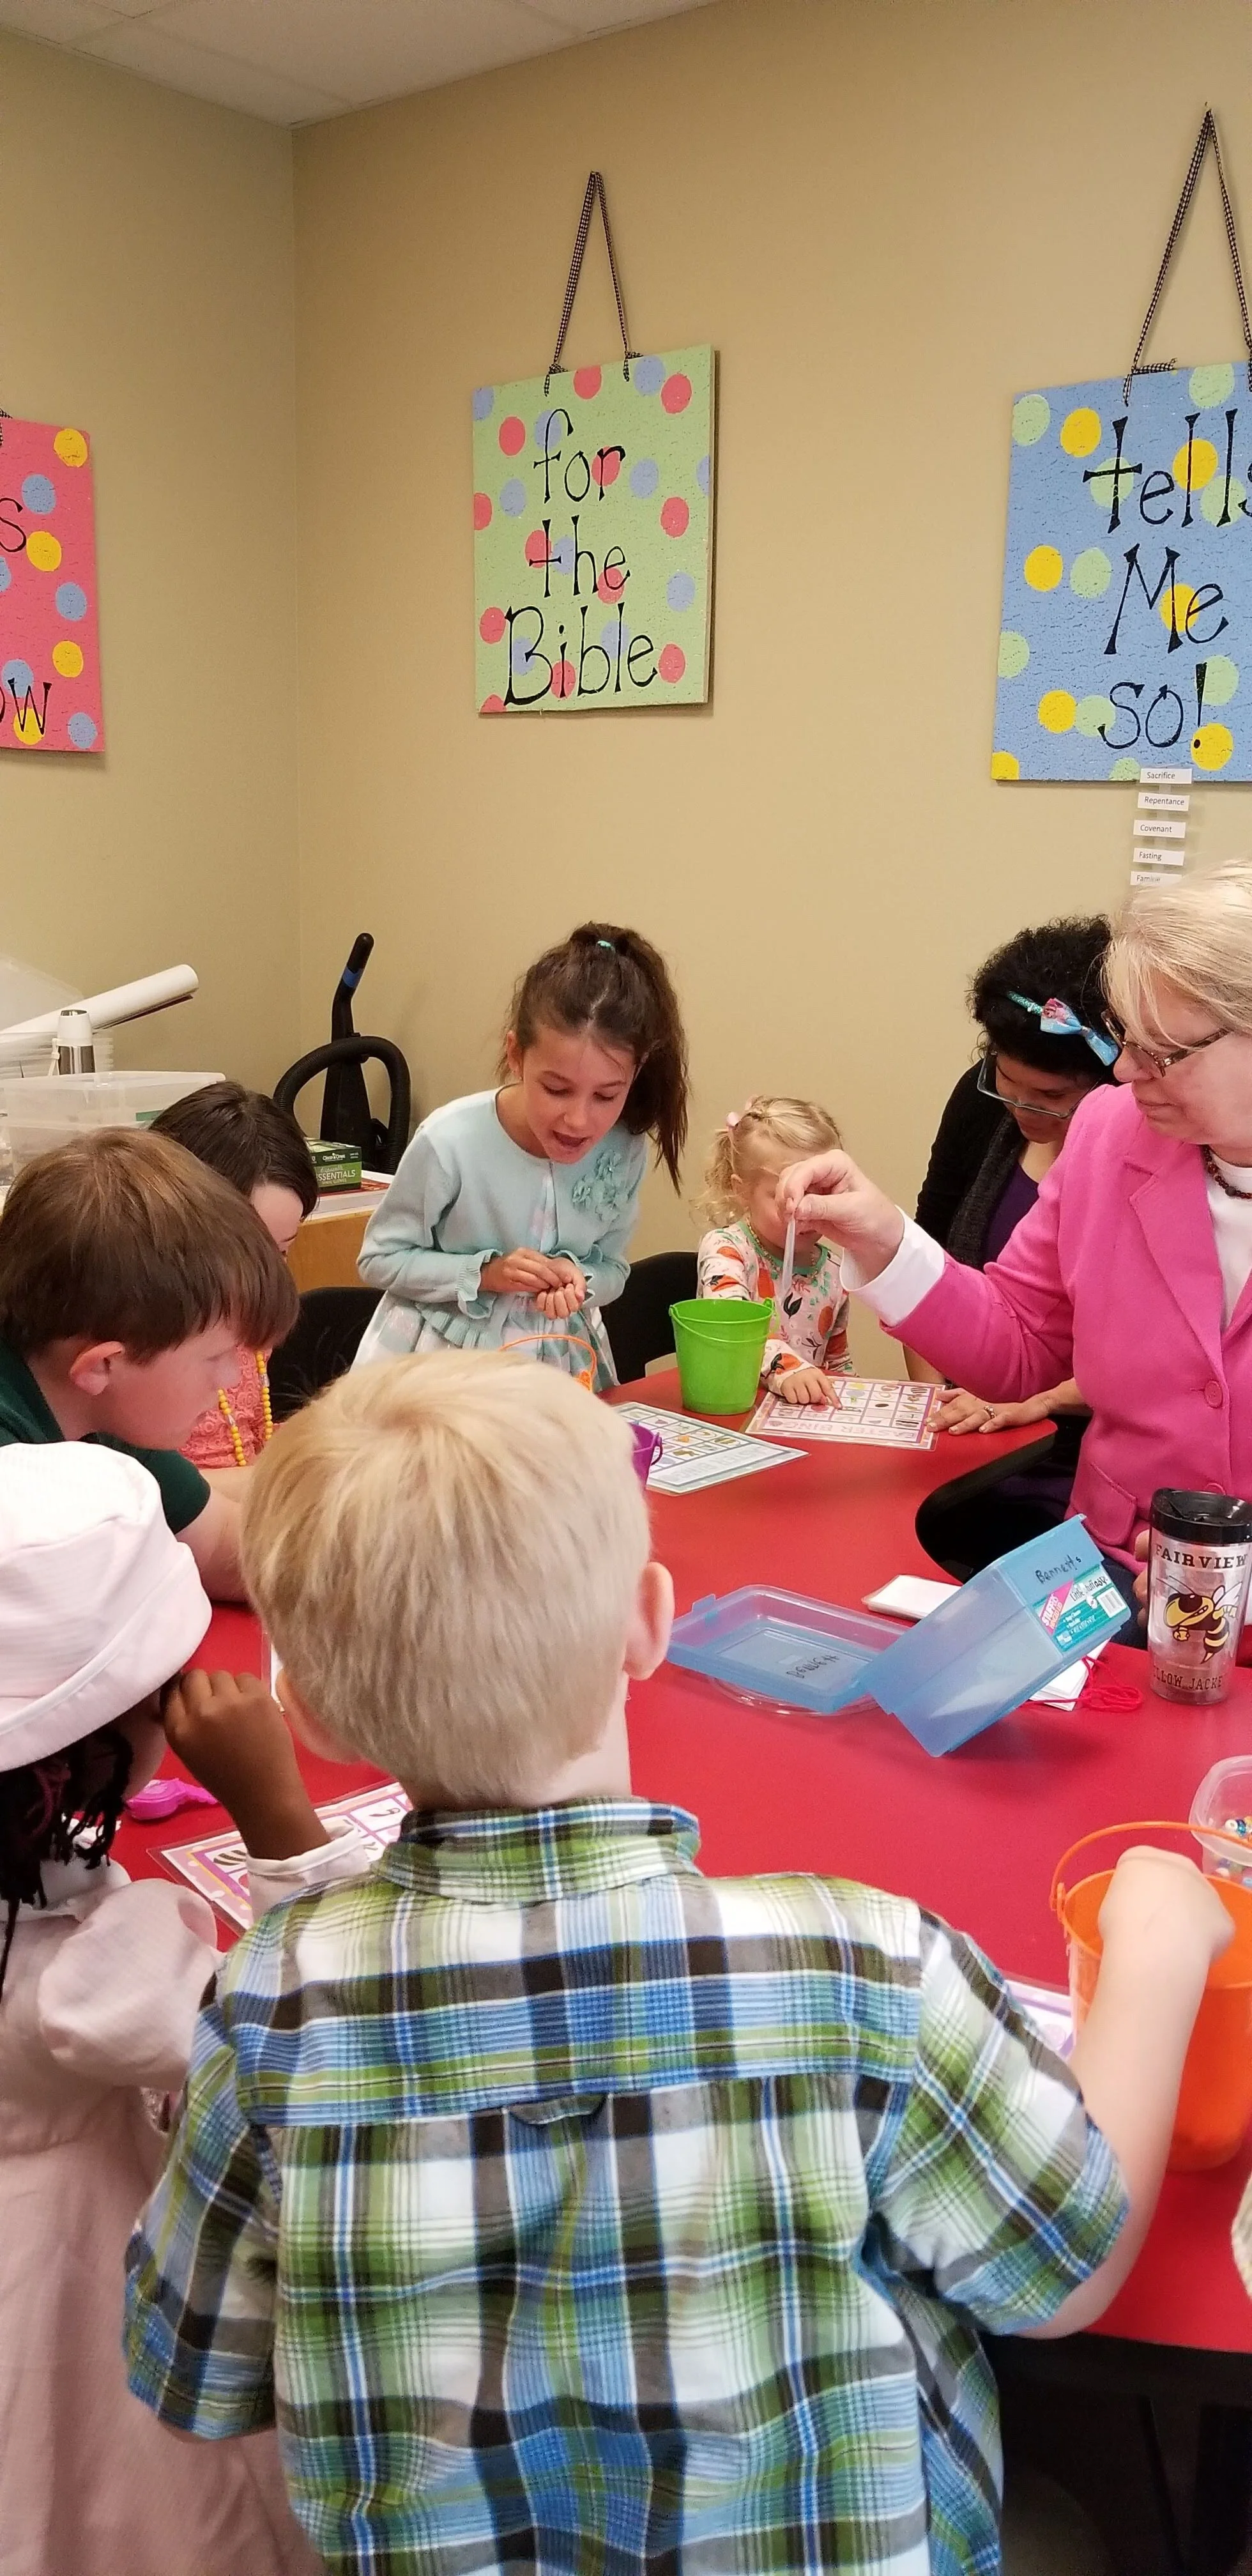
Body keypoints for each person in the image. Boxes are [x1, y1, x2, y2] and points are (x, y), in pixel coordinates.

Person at [125, 1352, 1230, 2576]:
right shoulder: (856, 1965)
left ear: (311, 1714)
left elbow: (199, 2370)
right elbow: (1065, 2271)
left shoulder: (274, 2006)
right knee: (1068, 2531)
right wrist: (1159, 1952)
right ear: (650, 1625)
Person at [0, 1442, 365, 2576]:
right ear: (81, 1758)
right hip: (63, 2263)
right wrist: (280, 1820)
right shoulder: (84, 1973)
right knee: (132, 2506)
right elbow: (335, 2037)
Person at [779, 860, 1252, 1616]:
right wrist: (884, 1243)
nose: (1125, 1072)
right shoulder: (1107, 1135)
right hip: (1108, 1581)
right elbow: (1021, 1343)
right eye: (1123, 1039)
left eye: (1162, 1051)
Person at [355, 922, 689, 1388]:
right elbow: (380, 1259)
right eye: (557, 1089)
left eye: (607, 1096)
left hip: (562, 1364)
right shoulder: (451, 1141)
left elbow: (613, 1268)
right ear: (515, 1054)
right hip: (442, 1372)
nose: (579, 1120)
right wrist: (486, 1273)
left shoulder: (624, 1146)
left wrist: (579, 1278)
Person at [0, 1128, 297, 1600]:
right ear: (103, 1365)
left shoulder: (107, 1405)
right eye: (216, 1357)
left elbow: (224, 1547)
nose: (232, 1377)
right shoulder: (17, 1497)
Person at [908, 919, 1118, 1574]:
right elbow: (930, 1263)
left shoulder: (1130, 1152)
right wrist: (933, 1404)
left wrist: (1020, 1403)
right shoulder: (979, 1108)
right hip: (965, 1441)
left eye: (1052, 1097)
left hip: (1076, 1458)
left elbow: (1134, 1358)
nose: (1024, 1109)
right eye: (1006, 1081)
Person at [151, 1082, 319, 1471]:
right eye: (244, 1256)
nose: (263, 1281)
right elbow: (164, 1493)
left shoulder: (250, 1315)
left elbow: (249, 1435)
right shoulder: (147, 1335)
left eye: (282, 1252)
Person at [696, 1094, 853, 1402]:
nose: (804, 1210)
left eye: (819, 1192)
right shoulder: (727, 1250)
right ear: (742, 1190)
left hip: (801, 1423)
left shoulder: (835, 1270)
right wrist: (789, 1369)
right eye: (783, 1194)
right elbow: (735, 1327)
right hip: (732, 1410)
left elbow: (838, 1362)